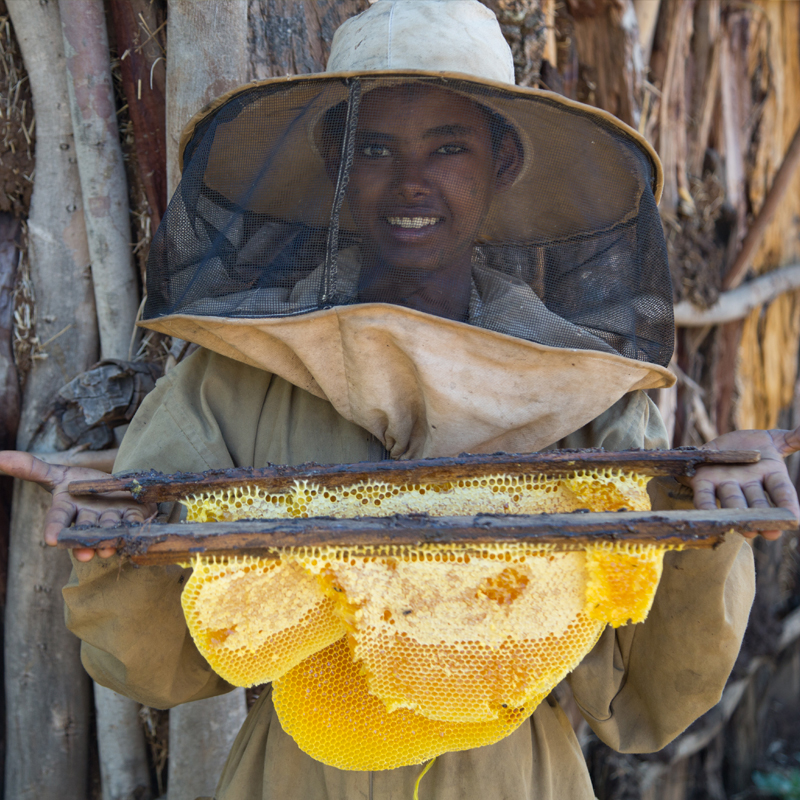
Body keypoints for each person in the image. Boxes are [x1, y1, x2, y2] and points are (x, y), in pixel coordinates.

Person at [0, 1, 798, 798]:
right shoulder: (237, 378)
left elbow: (637, 704)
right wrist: (118, 557)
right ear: (341, 175)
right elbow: (157, 669)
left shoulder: (584, 394)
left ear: (501, 166)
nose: (411, 180)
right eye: (375, 149)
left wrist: (709, 533)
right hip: (294, 777)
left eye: (448, 147)